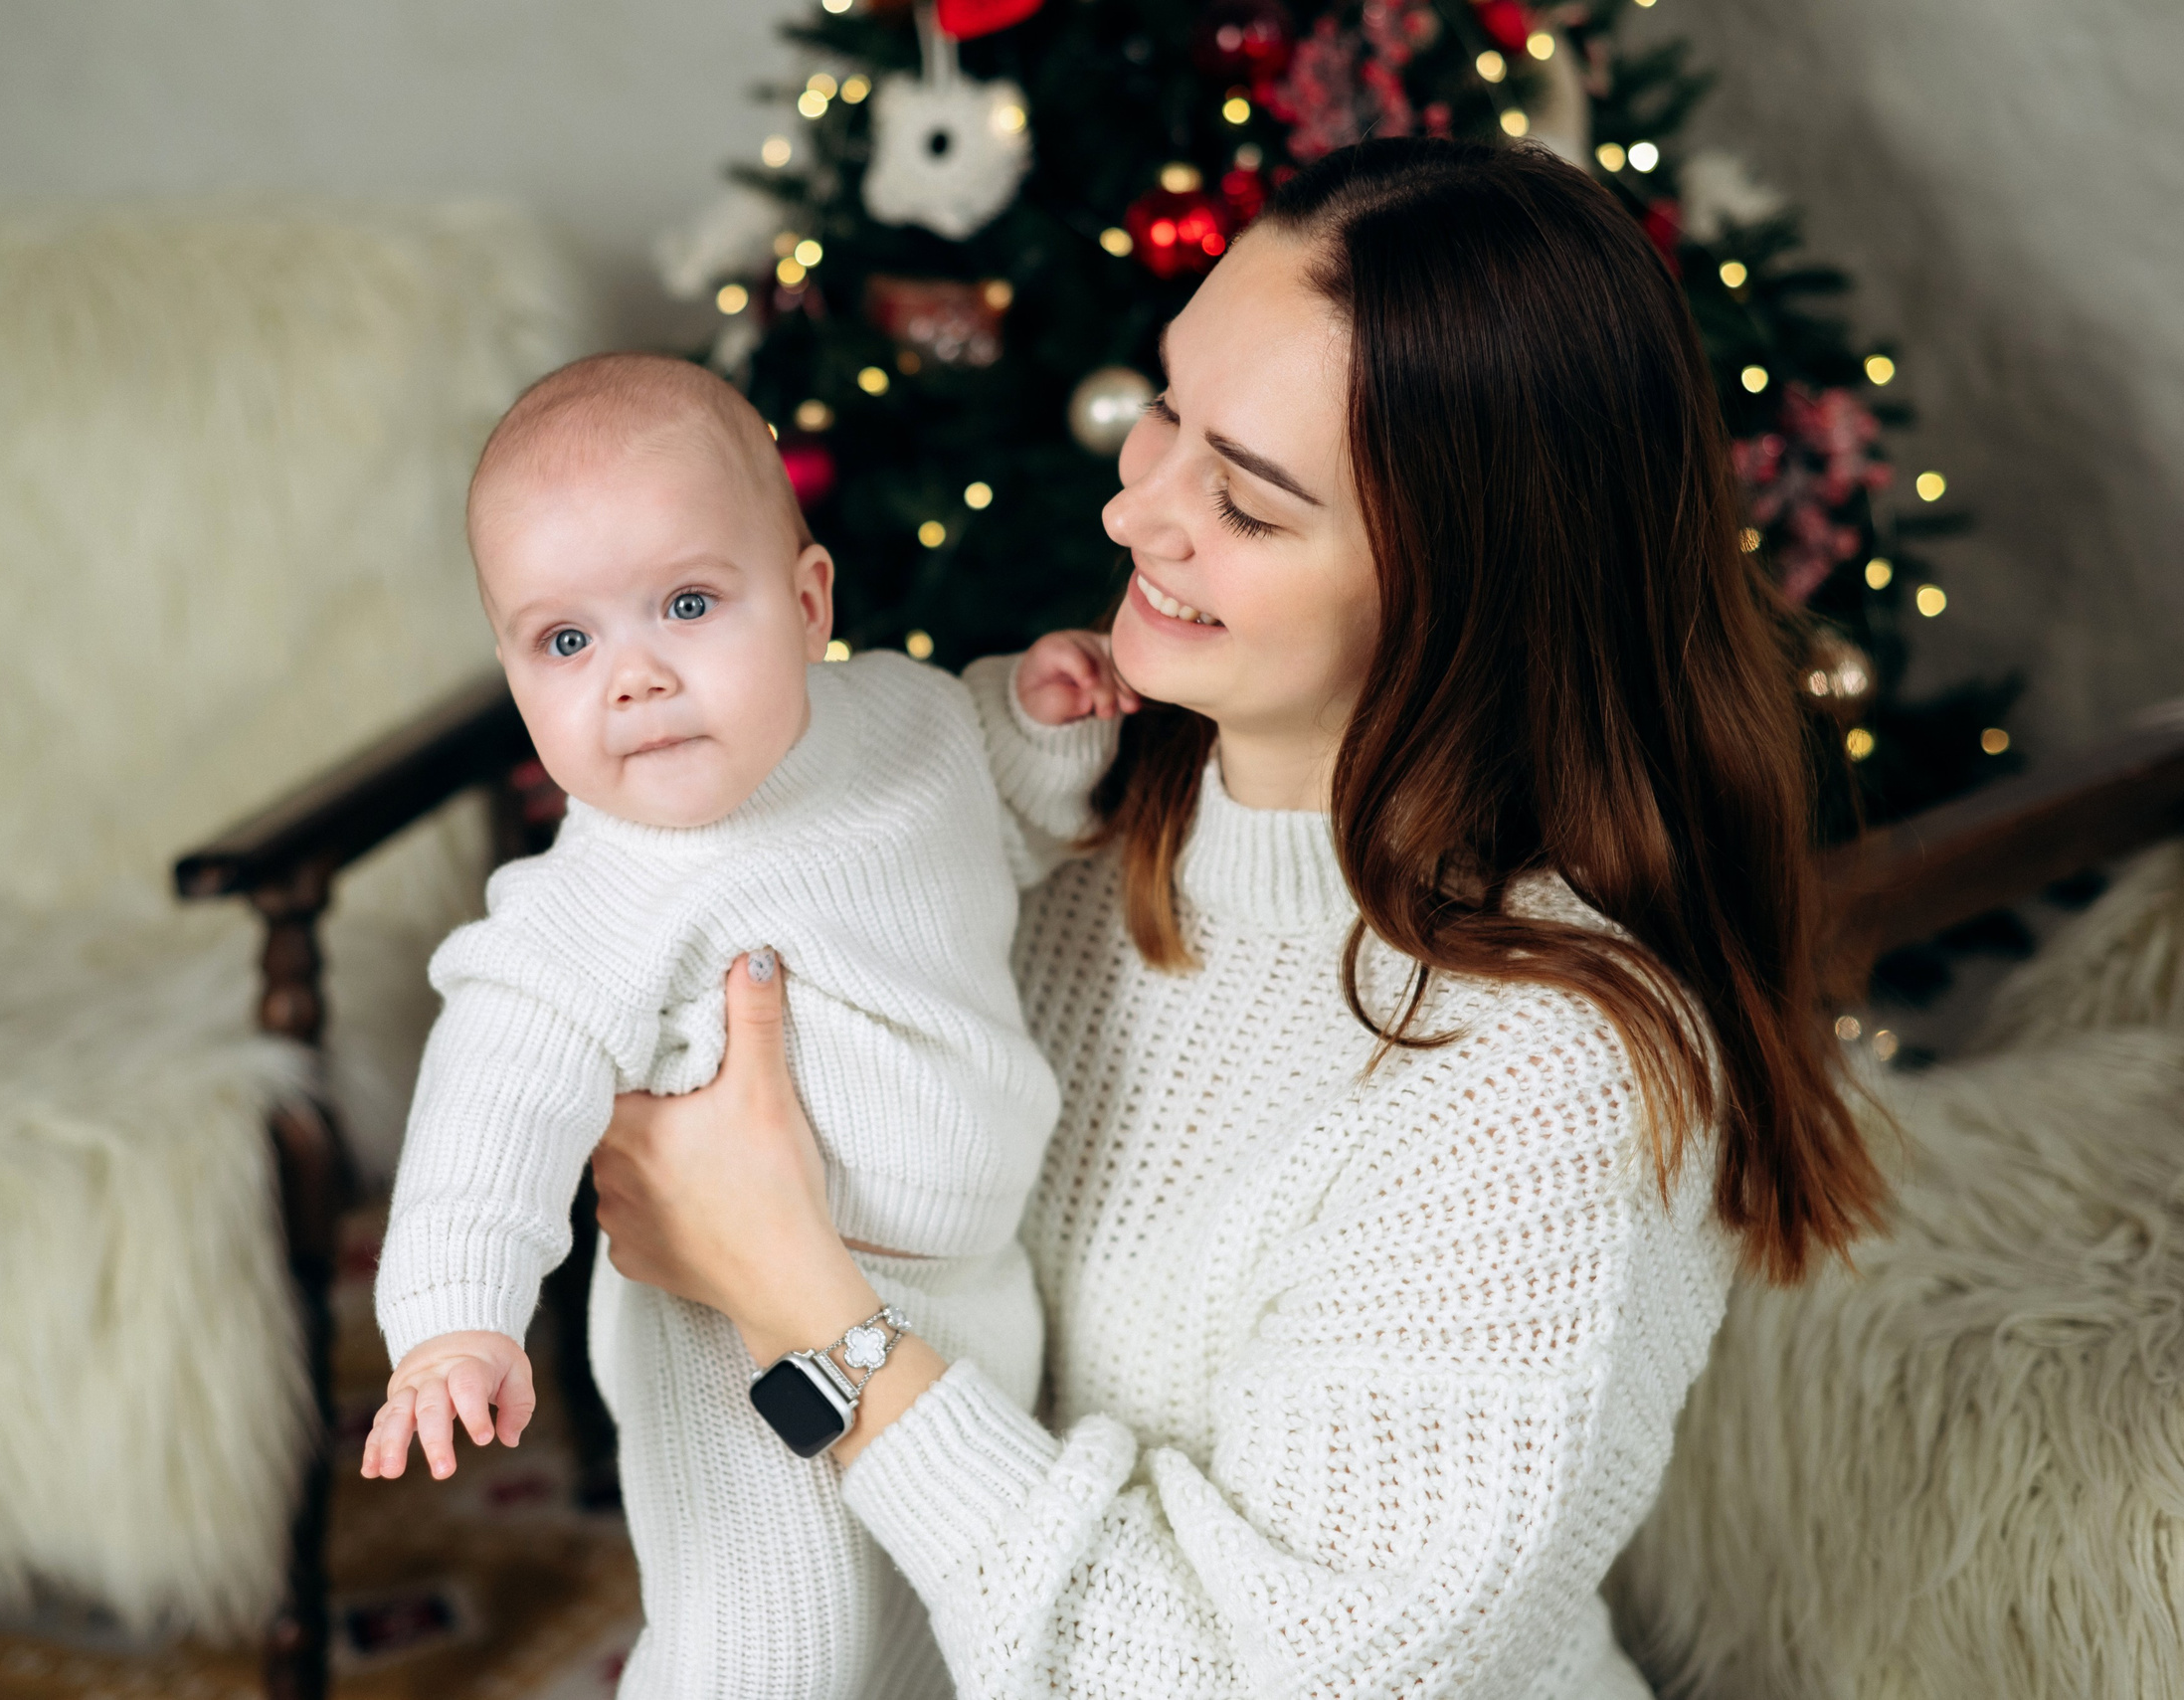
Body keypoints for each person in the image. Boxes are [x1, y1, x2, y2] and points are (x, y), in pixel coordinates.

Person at [589, 137, 1887, 1700]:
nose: (1140, 512)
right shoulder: (1051, 800)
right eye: (1165, 412)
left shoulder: (1553, 1083)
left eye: (1249, 505)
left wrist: (800, 1306)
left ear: (1465, 589)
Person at [357, 351, 1142, 1700]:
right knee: (766, 1652)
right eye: (565, 640)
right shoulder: (597, 887)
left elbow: (999, 819)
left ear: (806, 599)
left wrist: (1041, 721)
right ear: (513, 669)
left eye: (686, 603)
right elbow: (495, 1094)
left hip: (971, 1286)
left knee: (926, 1634)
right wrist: (451, 1320)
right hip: (727, 1329)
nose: (634, 677)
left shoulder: (909, 720)